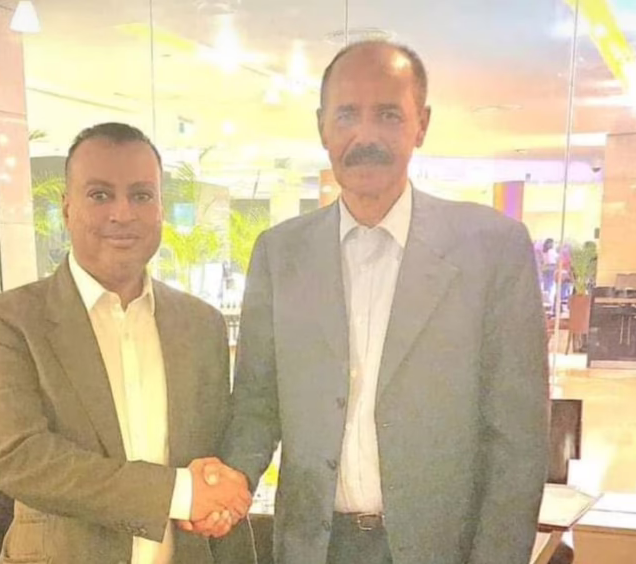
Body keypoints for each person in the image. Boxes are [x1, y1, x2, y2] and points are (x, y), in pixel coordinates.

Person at [216, 41, 549, 564]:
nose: (365, 135)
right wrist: (226, 485)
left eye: (388, 114)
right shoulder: (280, 254)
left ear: (421, 124)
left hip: (441, 551)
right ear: (322, 127)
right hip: (313, 549)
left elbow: (518, 444)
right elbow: (257, 406)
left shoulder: (492, 250)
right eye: (347, 114)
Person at [0, 123, 255, 564]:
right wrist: (181, 494)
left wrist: (218, 502)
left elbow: (214, 452)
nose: (122, 213)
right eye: (100, 194)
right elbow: (22, 459)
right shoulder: (9, 321)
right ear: (66, 208)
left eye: (141, 195)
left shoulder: (202, 325)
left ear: (160, 209)